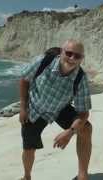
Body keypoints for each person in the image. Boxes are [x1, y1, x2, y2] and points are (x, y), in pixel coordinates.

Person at [19, 39, 92, 180]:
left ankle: (83, 176)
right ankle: (27, 176)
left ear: (81, 59)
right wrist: (23, 107)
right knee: (29, 147)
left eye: (77, 56)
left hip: (60, 107)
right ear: (61, 52)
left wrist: (70, 132)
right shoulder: (43, 61)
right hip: (35, 107)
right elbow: (24, 79)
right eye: (69, 53)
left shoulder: (80, 78)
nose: (72, 58)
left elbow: (83, 113)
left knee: (86, 129)